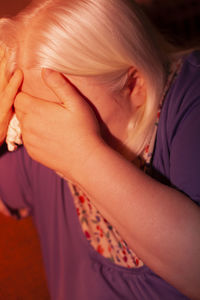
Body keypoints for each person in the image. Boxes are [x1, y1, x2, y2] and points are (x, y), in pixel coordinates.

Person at [0, 0, 199, 299]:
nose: (42, 129)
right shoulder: (41, 145)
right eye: (30, 109)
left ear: (134, 85)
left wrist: (83, 156)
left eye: (63, 109)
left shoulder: (189, 107)